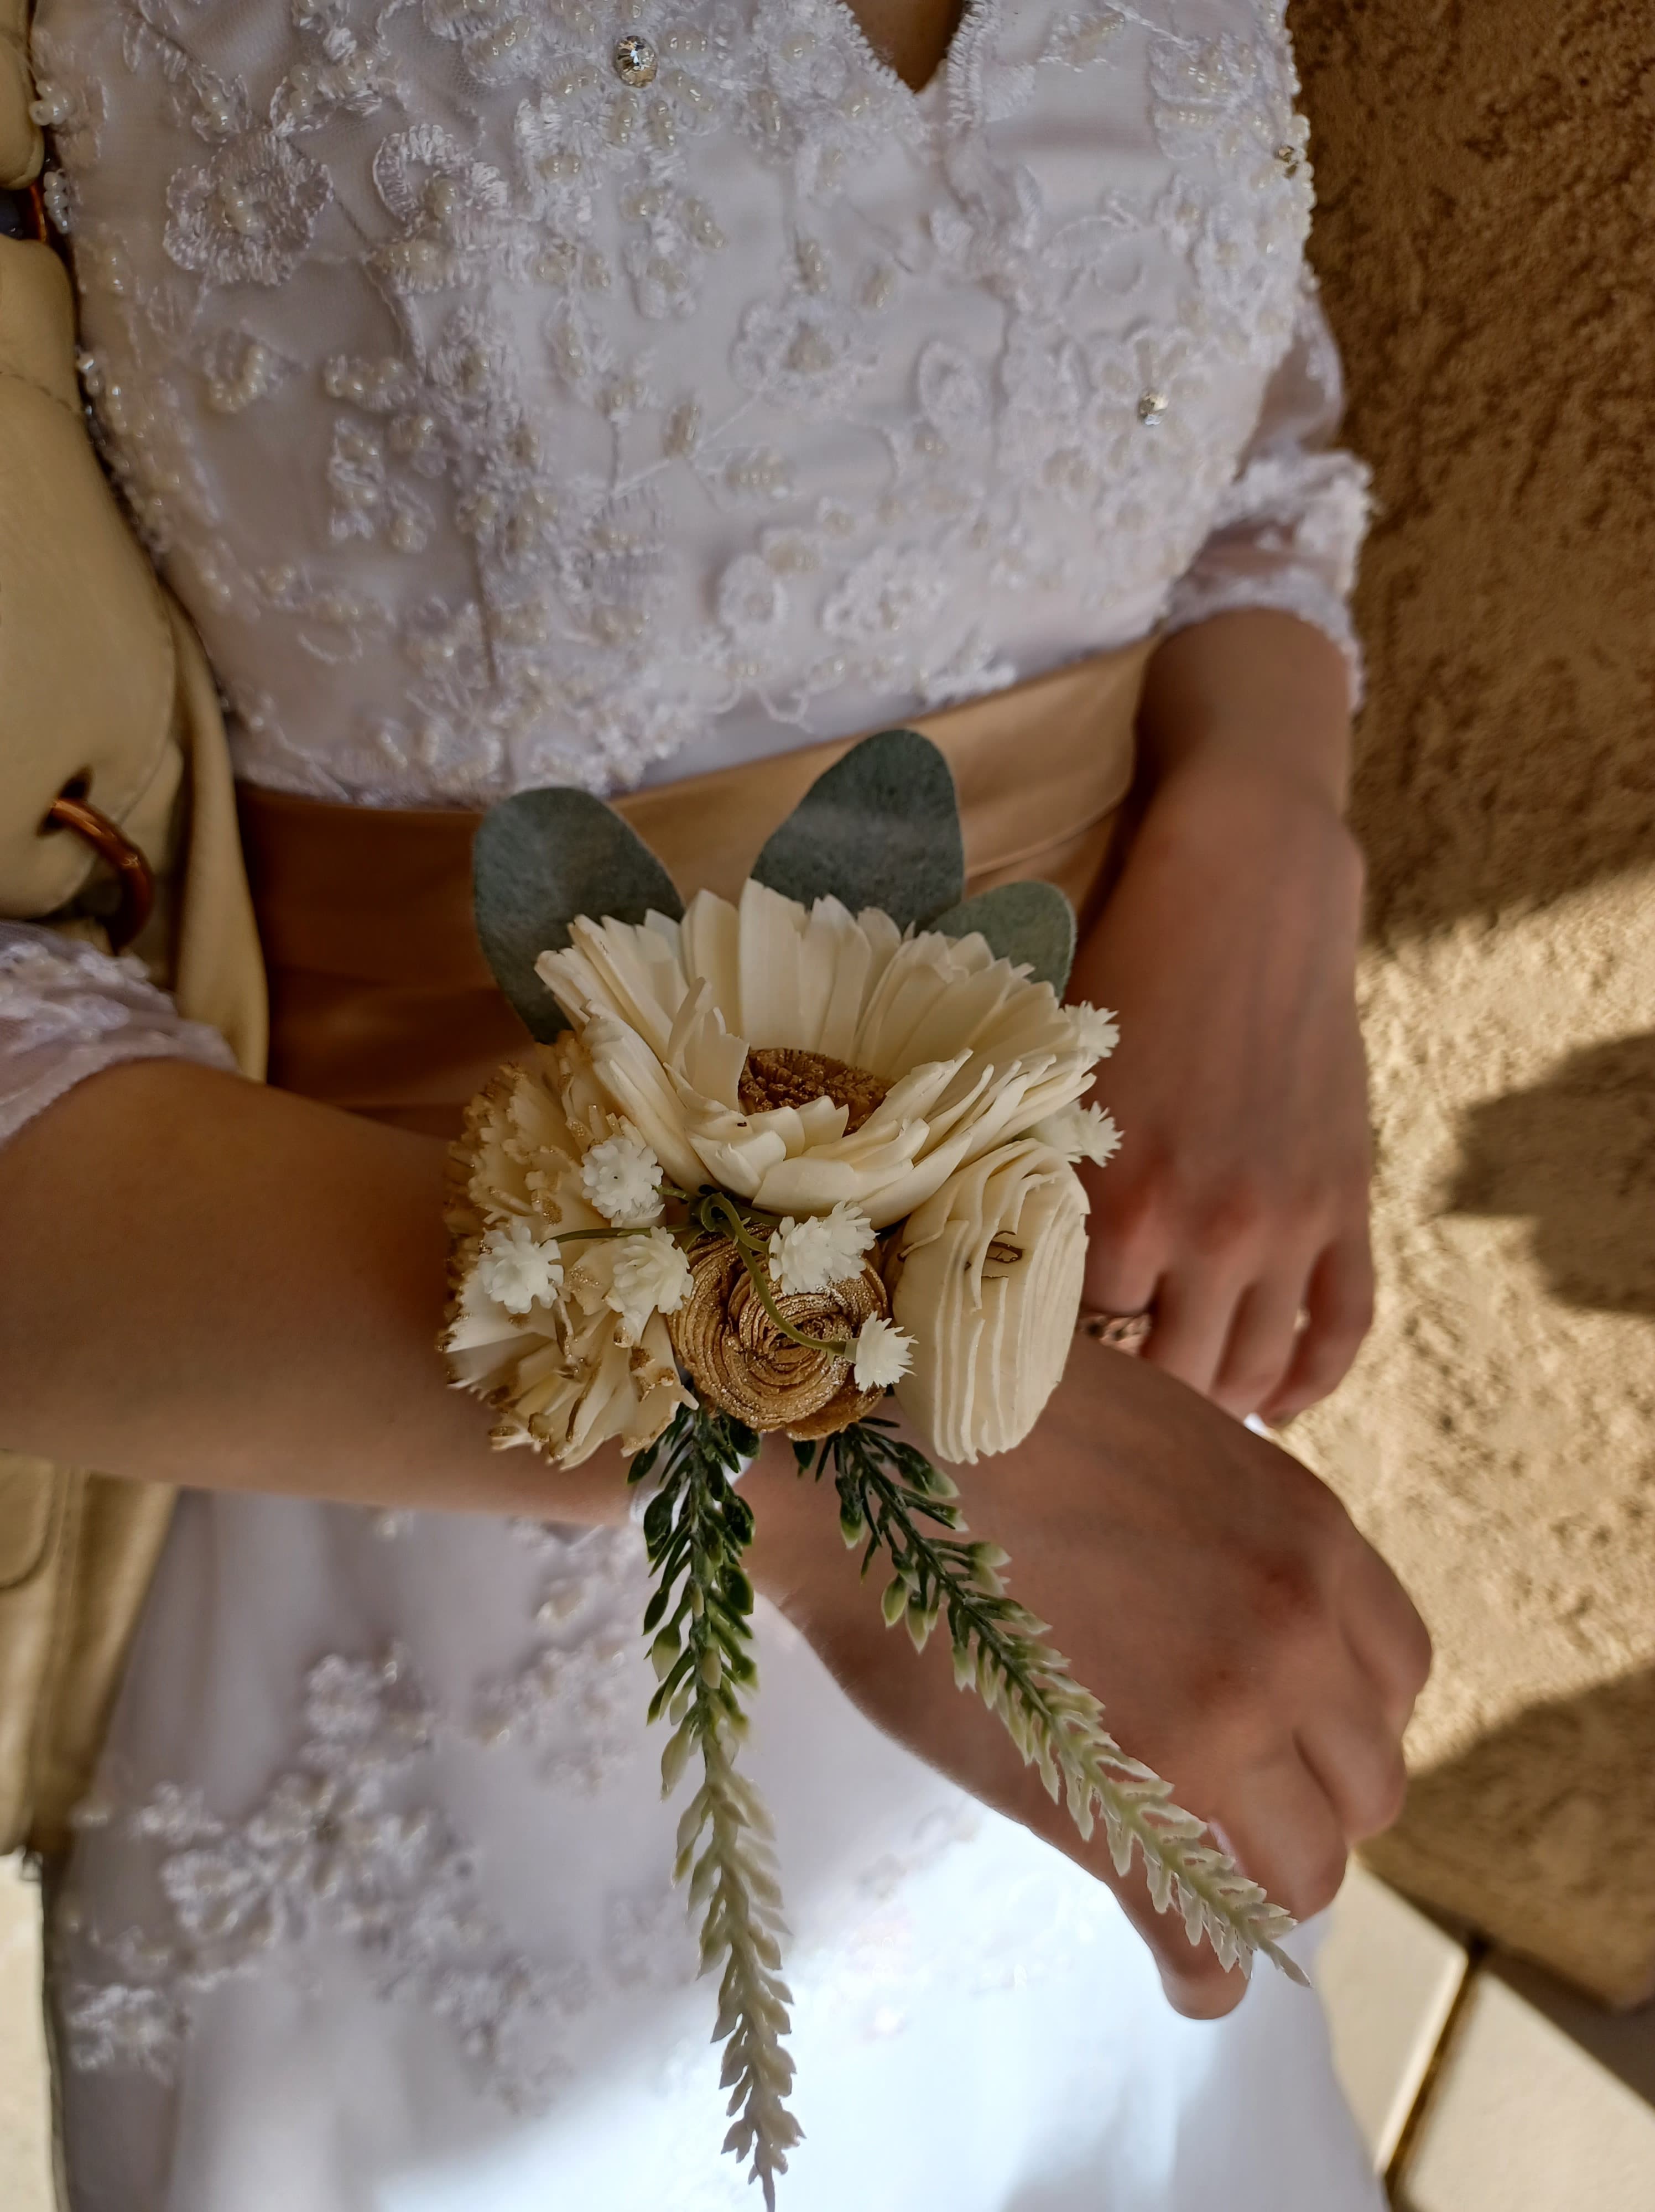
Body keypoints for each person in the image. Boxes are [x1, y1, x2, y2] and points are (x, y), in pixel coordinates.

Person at [0, 0, 1430, 2203]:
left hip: (1118, 1473)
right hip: (458, 1553)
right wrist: (829, 1431)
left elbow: (1200, 370)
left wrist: (1266, 809)